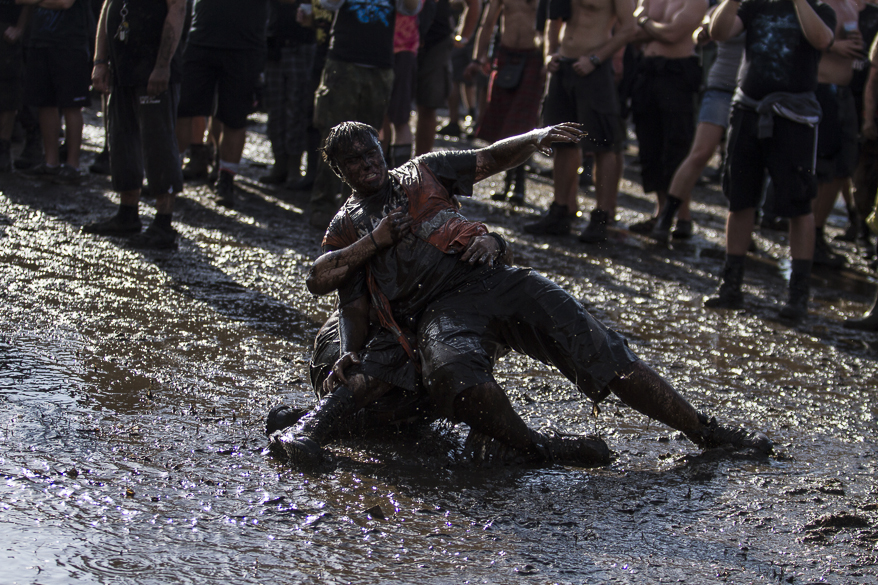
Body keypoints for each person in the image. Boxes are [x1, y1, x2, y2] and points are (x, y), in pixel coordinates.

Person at [268, 120, 773, 468]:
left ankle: (703, 431)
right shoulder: (347, 227)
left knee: (599, 345)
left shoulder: (423, 170)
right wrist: (353, 346)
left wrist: (534, 138)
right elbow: (347, 301)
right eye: (352, 161)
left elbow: (488, 158)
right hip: (435, 313)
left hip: (492, 279)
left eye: (370, 153)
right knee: (456, 379)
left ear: (384, 149)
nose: (365, 164)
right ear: (340, 172)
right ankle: (533, 447)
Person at [706, 0, 836, 321]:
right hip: (748, 111)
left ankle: (797, 295)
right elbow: (719, 33)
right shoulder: (755, 6)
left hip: (794, 116)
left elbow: (822, 40)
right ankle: (731, 286)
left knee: (798, 203)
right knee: (740, 199)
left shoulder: (820, 9)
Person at [522, 0, 637, 241]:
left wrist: (596, 58)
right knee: (562, 140)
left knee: (603, 145)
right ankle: (560, 211)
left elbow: (629, 27)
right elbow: (553, 21)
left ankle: (601, 217)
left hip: (594, 69)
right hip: (562, 66)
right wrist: (549, 54)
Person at [307, 0, 422, 229]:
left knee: (368, 144)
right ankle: (323, 205)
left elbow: (411, 7)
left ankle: (357, 211)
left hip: (379, 66)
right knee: (331, 136)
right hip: (343, 60)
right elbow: (327, 3)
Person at [83, 0, 187, 250]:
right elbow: (108, 7)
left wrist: (162, 67)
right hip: (122, 67)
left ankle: (163, 223)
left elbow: (178, 10)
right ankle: (127, 213)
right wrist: (100, 61)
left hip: (153, 69)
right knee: (121, 139)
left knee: (158, 143)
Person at [649, 8, 745, 243]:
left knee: (743, 161)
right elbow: (701, 34)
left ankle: (744, 230)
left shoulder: (774, 9)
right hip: (721, 88)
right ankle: (668, 216)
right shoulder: (726, 6)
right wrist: (703, 32)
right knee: (700, 153)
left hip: (754, 92)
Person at [175, 0, 273, 208]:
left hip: (244, 46)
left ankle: (226, 180)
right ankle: (170, 174)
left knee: (234, 118)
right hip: (201, 37)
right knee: (182, 110)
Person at [626, 0, 707, 235]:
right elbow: (633, 33)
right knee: (650, 146)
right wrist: (652, 27)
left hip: (677, 73)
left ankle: (683, 217)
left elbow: (673, 34)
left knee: (677, 145)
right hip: (648, 71)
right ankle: (661, 212)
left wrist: (645, 21)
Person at [463, 0, 544, 205]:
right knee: (502, 122)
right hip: (505, 54)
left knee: (522, 124)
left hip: (534, 57)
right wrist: (478, 58)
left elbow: (553, 26)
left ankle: (519, 185)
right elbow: (488, 23)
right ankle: (507, 182)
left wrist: (548, 59)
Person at [809, 0, 865, 269]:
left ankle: (817, 234)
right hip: (821, 90)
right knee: (822, 168)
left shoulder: (850, 6)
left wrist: (856, 47)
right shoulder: (819, 3)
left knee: (843, 167)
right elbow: (804, 36)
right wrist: (835, 46)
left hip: (844, 94)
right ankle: (810, 239)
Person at [18, 0, 93, 185]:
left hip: (71, 43)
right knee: (45, 103)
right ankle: (51, 163)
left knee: (72, 105)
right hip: (40, 41)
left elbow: (64, 3)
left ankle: (72, 166)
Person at [258, 0, 317, 187]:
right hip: (274, 44)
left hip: (301, 44)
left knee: (297, 107)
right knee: (274, 108)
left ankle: (294, 166)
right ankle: (279, 163)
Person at [0, 0, 28, 172]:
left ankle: (3, 148)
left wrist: (20, 27)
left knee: (9, 94)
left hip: (8, 30)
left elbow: (28, 3)